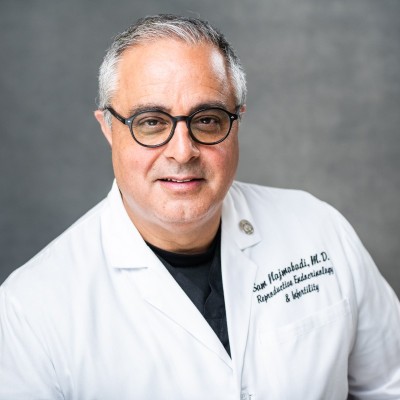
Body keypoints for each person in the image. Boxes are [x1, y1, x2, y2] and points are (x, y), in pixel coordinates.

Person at [0, 14, 399, 400]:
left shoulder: (319, 229)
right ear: (107, 127)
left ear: (237, 122)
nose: (182, 151)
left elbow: (390, 385)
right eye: (151, 122)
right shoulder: (32, 308)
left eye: (207, 120)